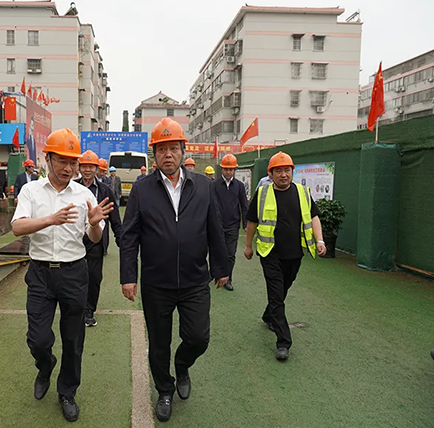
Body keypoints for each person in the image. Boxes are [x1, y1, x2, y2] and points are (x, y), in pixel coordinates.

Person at [120, 117, 228, 422]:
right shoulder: (142, 189)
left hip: (195, 280)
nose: (168, 154)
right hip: (156, 283)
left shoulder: (204, 186)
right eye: (161, 149)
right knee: (159, 344)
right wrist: (129, 276)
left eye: (173, 148)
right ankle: (165, 390)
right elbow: (129, 236)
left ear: (183, 150)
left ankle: (182, 366)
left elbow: (215, 228)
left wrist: (221, 267)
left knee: (198, 338)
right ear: (154, 154)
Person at [11, 128, 113, 422]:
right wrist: (50, 220)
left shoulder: (84, 195)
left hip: (74, 273)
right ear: (48, 159)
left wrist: (93, 224)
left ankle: (67, 392)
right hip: (40, 274)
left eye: (73, 162)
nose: (69, 168)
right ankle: (45, 366)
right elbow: (17, 227)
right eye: (62, 161)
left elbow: (94, 238)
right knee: (38, 339)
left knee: (73, 339)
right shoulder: (31, 191)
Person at [244, 151, 327, 361]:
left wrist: (320, 240)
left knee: (282, 290)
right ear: (270, 174)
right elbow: (252, 221)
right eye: (278, 171)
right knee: (276, 295)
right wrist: (248, 246)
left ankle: (268, 315)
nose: (283, 174)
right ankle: (283, 342)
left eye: (287, 170)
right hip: (270, 253)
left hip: (295, 254)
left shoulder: (302, 192)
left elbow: (314, 217)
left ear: (292, 171)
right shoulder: (262, 193)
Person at [76, 150, 123, 327]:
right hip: (75, 239)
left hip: (96, 240)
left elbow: (115, 219)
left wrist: (122, 241)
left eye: (91, 167)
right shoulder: (71, 187)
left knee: (94, 277)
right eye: (84, 166)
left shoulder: (105, 190)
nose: (87, 170)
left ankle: (89, 310)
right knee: (74, 276)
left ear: (97, 169)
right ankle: (76, 309)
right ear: (79, 168)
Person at [211, 154, 248, 291]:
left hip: (233, 225)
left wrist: (245, 223)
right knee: (216, 251)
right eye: (226, 169)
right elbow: (209, 204)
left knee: (230, 254)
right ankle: (216, 274)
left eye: (231, 169)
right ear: (222, 169)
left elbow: (244, 205)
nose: (228, 172)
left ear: (234, 170)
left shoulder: (240, 186)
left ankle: (228, 279)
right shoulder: (213, 185)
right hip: (217, 225)